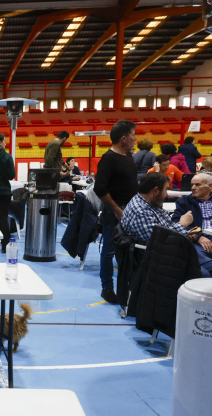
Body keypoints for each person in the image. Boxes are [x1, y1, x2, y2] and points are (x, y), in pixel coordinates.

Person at [94, 120, 138, 305]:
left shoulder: (128, 156)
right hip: (115, 211)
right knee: (109, 251)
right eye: (133, 135)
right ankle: (107, 287)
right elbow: (99, 188)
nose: (135, 139)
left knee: (129, 250)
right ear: (123, 138)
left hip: (130, 210)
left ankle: (126, 286)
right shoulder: (109, 158)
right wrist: (117, 210)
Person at [121, 172, 193, 244]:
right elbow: (158, 241)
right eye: (166, 189)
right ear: (155, 191)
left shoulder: (147, 201)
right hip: (161, 249)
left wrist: (184, 232)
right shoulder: (140, 211)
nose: (167, 194)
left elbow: (164, 227)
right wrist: (182, 224)